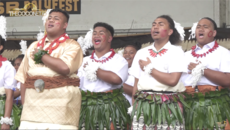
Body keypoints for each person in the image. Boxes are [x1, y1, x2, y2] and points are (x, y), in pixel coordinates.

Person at [15, 9, 83, 129]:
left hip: (61, 108)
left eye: (56, 18)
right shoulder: (33, 46)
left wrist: (42, 55)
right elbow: (24, 79)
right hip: (32, 107)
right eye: (49, 18)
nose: (51, 20)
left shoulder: (72, 45)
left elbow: (65, 68)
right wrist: (26, 105)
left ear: (65, 25)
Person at [129, 15, 187, 129]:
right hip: (143, 103)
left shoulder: (176, 52)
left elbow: (172, 80)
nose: (155, 27)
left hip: (168, 103)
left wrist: (150, 69)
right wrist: (134, 106)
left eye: (161, 24)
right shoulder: (141, 52)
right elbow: (136, 84)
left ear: (170, 31)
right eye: (154, 24)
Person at [77, 22, 130, 130]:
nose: (96, 35)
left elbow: (116, 79)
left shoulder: (119, 60)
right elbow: (77, 83)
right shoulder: (84, 60)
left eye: (101, 33)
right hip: (86, 107)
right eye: (94, 33)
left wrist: (94, 70)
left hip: (110, 107)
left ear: (109, 38)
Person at [181, 17, 230, 130]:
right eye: (198, 27)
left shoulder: (223, 53)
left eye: (205, 26)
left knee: (219, 127)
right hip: (189, 105)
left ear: (213, 33)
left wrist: (202, 70)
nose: (200, 29)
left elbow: (228, 80)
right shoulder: (186, 55)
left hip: (215, 105)